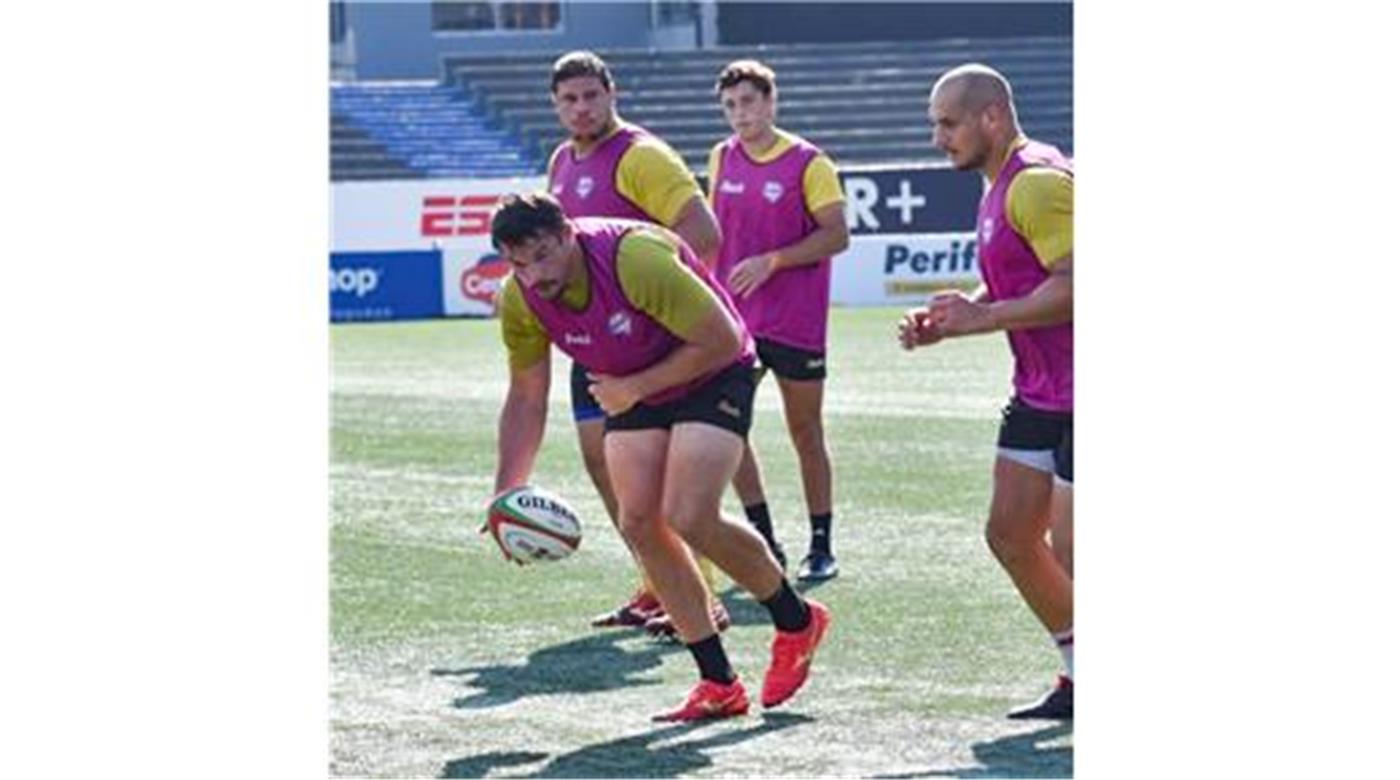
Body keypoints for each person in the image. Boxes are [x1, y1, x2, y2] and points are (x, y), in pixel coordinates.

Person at [488, 193, 832, 721]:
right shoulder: (520, 298)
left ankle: (795, 620)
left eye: (541, 256)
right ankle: (719, 685)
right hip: (634, 385)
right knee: (641, 523)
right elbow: (526, 396)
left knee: (689, 514)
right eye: (518, 264)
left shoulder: (633, 258)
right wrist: (505, 494)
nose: (533, 276)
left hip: (715, 370)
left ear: (567, 234)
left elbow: (722, 337)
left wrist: (634, 387)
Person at [899, 63, 1074, 720]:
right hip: (1041, 392)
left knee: (1074, 553)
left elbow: (1079, 282)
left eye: (947, 123)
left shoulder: (1034, 184)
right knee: (1010, 536)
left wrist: (986, 317)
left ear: (991, 118)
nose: (938, 138)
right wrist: (955, 319)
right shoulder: (1000, 182)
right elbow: (1022, 281)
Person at [545, 50, 728, 633]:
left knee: (668, 487)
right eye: (569, 99)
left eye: (590, 96)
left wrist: (657, 315)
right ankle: (657, 587)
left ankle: (704, 603)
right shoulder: (562, 161)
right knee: (605, 469)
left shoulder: (641, 157)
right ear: (555, 105)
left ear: (611, 93)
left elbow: (703, 235)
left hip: (650, 347)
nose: (581, 108)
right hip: (594, 344)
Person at [707, 59, 849, 582]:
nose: (739, 114)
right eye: (730, 106)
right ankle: (763, 536)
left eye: (748, 102)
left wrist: (774, 261)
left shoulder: (809, 162)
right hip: (735, 321)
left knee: (805, 430)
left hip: (795, 321)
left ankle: (821, 543)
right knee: (727, 427)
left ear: (770, 102)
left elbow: (837, 235)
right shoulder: (721, 156)